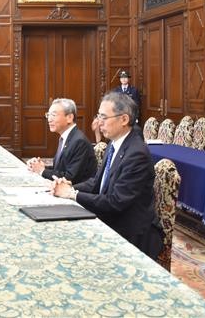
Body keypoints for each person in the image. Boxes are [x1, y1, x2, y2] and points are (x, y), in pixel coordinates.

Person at [51, 92, 163, 260]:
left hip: (131, 231)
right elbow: (97, 182)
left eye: (103, 117)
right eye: (98, 116)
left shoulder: (136, 154)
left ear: (124, 119)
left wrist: (72, 195)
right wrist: (69, 186)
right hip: (112, 217)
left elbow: (115, 202)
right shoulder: (115, 142)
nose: (98, 122)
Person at [26, 98, 96, 184]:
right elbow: (60, 169)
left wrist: (42, 171)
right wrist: (40, 167)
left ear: (69, 118)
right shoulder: (66, 138)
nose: (49, 119)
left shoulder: (79, 141)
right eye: (48, 115)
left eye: (54, 115)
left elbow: (70, 177)